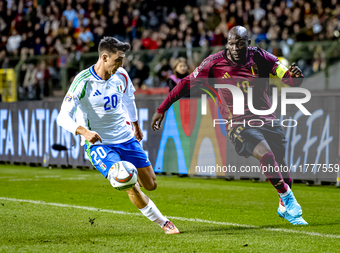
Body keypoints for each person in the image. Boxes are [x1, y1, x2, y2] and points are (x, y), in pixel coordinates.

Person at [151, 26, 308, 225]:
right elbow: (186, 83)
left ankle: (284, 206)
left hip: (267, 119)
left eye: (239, 43)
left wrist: (296, 77)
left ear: (248, 43)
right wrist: (162, 108)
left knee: (282, 171)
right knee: (266, 155)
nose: (234, 47)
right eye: (231, 43)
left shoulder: (261, 57)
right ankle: (287, 198)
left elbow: (289, 80)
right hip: (238, 123)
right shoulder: (214, 63)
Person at [57, 37, 179, 234]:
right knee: (128, 180)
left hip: (126, 137)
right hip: (100, 144)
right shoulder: (83, 81)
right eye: (118, 60)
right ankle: (164, 223)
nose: (121, 64)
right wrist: (84, 132)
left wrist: (136, 126)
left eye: (122, 60)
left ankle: (132, 179)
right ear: (104, 57)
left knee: (151, 184)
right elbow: (62, 117)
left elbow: (129, 99)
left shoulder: (121, 74)